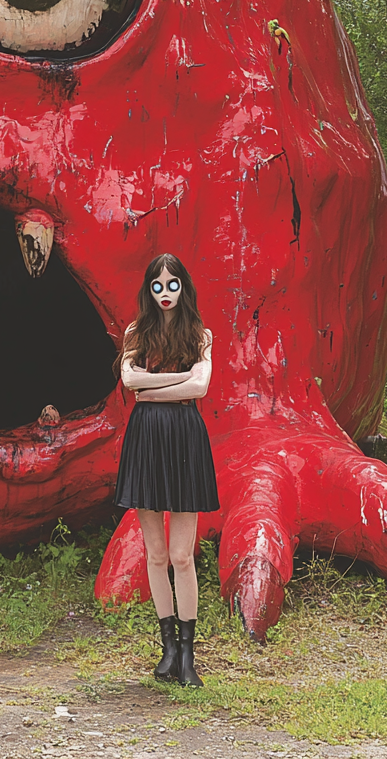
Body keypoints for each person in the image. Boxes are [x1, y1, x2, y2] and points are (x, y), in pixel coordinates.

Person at [114, 253, 218, 687]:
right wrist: (166, 386)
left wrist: (151, 388)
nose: (165, 294)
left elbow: (200, 386)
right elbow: (129, 383)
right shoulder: (137, 332)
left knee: (181, 556)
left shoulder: (200, 334)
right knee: (156, 555)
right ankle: (168, 646)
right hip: (147, 439)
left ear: (184, 286)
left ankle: (189, 653)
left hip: (185, 437)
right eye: (157, 286)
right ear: (148, 290)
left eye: (172, 284)